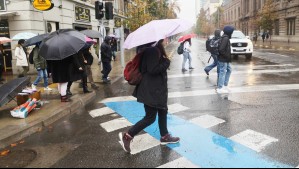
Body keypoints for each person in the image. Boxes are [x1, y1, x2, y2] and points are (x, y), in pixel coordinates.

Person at [119, 39, 180, 153]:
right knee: (150, 117)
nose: (165, 39)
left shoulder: (150, 50)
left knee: (163, 111)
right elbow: (152, 70)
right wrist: (166, 62)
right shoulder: (152, 51)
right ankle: (128, 135)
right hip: (152, 90)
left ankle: (165, 136)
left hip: (155, 89)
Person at [217, 25, 234, 94]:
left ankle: (225, 85)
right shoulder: (225, 38)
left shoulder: (225, 37)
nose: (232, 33)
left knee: (229, 70)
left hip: (225, 59)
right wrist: (226, 56)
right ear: (229, 32)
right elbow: (221, 49)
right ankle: (220, 87)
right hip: (223, 59)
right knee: (222, 72)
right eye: (232, 32)